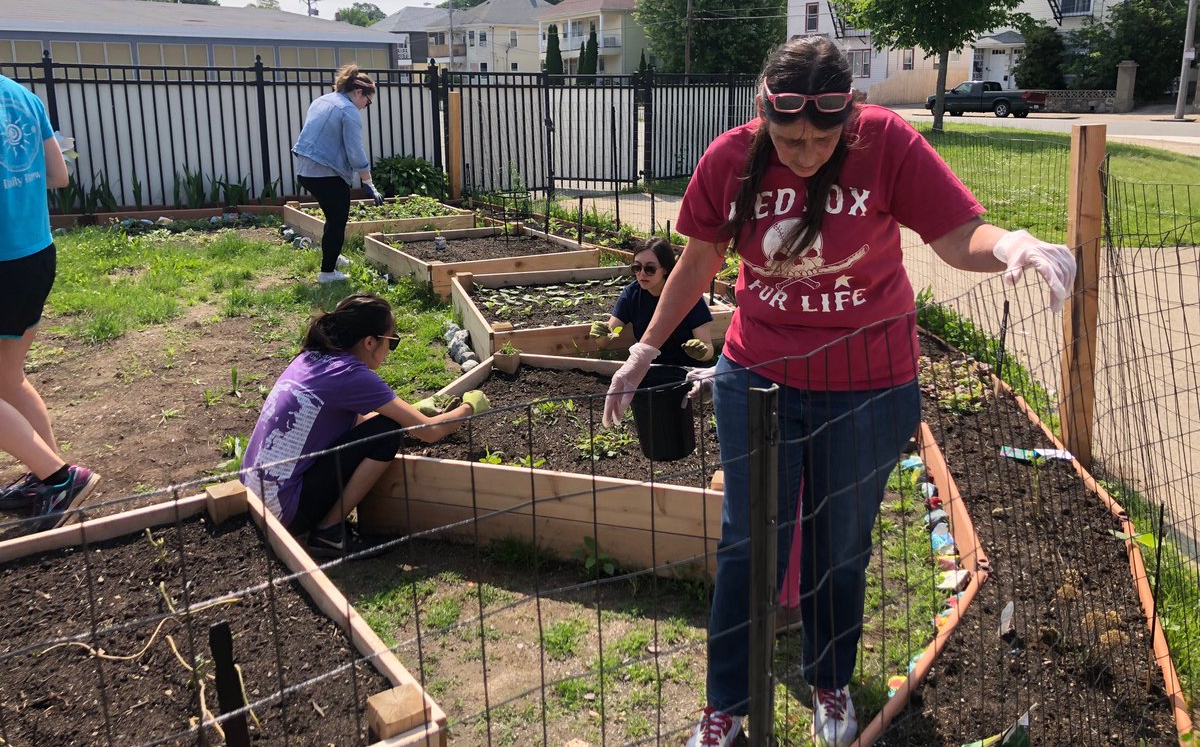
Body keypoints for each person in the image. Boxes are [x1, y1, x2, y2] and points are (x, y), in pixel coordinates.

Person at [602, 36, 1075, 747]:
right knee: (747, 546)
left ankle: (829, 679)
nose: (806, 153)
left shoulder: (885, 141)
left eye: (824, 139)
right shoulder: (730, 158)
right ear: (763, 114)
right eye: (790, 138)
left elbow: (956, 235)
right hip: (757, 377)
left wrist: (1011, 245)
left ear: (849, 117)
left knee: (841, 544)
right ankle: (726, 702)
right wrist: (644, 348)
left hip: (869, 384)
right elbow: (698, 258)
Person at [240, 293, 490, 558]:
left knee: (384, 426)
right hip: (284, 511)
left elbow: (355, 423)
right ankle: (329, 533)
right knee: (387, 433)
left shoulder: (312, 358)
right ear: (370, 342)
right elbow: (429, 432)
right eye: (392, 341)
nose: (391, 349)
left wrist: (413, 411)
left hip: (252, 496)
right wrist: (469, 407)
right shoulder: (351, 375)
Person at [0, 74, 100, 536]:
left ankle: (58, 477)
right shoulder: (21, 96)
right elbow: (60, 176)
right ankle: (53, 481)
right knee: (9, 378)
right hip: (35, 254)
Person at [292, 64, 386, 285]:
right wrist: (368, 181)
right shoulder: (348, 110)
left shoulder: (322, 100)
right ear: (358, 92)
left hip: (306, 170)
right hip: (326, 173)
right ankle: (327, 273)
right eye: (368, 101)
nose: (365, 106)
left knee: (332, 218)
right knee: (337, 221)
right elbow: (355, 151)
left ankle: (333, 257)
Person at [586, 237, 715, 366]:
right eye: (637, 267)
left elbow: (708, 349)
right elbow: (606, 340)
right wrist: (600, 335)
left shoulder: (687, 295)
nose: (642, 273)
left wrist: (701, 352)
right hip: (648, 367)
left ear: (665, 269)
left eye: (650, 269)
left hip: (686, 369)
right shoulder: (631, 294)